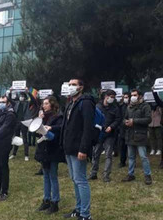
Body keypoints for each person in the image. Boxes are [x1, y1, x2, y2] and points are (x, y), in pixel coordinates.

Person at [60, 78, 94, 220]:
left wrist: (84, 149)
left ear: (81, 87)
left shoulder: (85, 103)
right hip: (69, 147)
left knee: (81, 180)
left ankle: (86, 215)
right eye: (69, 85)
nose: (70, 87)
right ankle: (79, 209)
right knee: (75, 179)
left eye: (73, 85)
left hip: (78, 148)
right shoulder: (70, 103)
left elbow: (88, 128)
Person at [35, 96, 65, 214]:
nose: (44, 105)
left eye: (46, 103)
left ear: (52, 104)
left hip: (53, 150)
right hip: (44, 150)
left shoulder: (58, 116)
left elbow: (61, 128)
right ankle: (46, 199)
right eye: (43, 104)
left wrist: (50, 128)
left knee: (53, 176)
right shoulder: (43, 117)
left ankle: (55, 201)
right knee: (46, 175)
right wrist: (39, 121)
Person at [88, 89, 121, 182]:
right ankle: (93, 173)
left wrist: (111, 127)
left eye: (114, 98)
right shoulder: (97, 106)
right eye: (111, 97)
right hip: (98, 134)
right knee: (95, 154)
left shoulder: (115, 108)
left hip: (110, 134)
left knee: (108, 155)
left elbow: (118, 119)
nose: (112, 99)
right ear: (106, 96)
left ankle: (106, 175)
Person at [121, 89, 153, 185]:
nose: (133, 97)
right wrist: (125, 122)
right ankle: (131, 174)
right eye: (132, 95)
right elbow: (124, 118)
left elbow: (148, 119)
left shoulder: (145, 106)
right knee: (131, 157)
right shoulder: (129, 107)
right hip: (130, 135)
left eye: (135, 95)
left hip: (140, 135)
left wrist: (134, 121)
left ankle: (148, 175)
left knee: (143, 157)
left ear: (140, 96)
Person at [9, 89, 39, 161]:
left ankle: (26, 155)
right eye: (20, 96)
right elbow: (9, 99)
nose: (21, 97)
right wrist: (10, 92)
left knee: (25, 138)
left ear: (25, 97)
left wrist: (28, 92)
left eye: (22, 96)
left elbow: (34, 101)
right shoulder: (16, 103)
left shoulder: (27, 103)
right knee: (16, 138)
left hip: (24, 122)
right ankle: (14, 153)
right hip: (17, 122)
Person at [118, 92, 130, 167]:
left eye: (126, 97)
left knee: (131, 147)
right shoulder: (121, 106)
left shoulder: (132, 106)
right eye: (124, 97)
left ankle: (132, 161)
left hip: (130, 128)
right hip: (122, 128)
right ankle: (122, 162)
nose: (125, 98)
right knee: (122, 146)